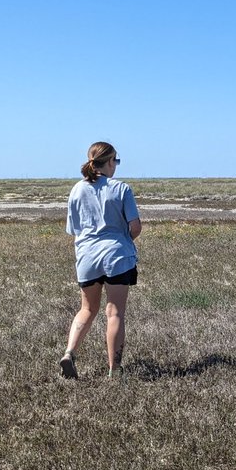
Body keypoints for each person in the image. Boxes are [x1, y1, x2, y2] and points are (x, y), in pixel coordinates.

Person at [60, 142, 142, 379]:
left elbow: (73, 229)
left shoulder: (77, 189)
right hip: (117, 256)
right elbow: (135, 226)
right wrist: (124, 240)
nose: (116, 165)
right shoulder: (121, 189)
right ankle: (114, 370)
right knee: (114, 312)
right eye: (115, 160)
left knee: (87, 309)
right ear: (108, 162)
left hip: (86, 257)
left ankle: (69, 353)